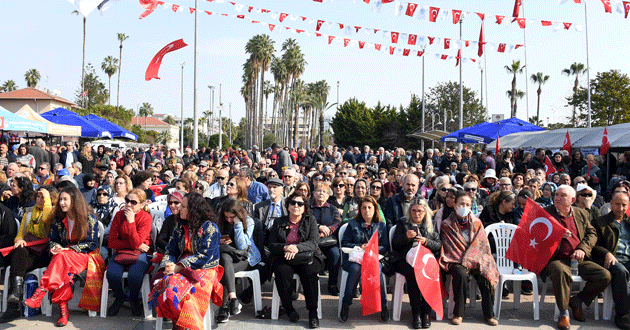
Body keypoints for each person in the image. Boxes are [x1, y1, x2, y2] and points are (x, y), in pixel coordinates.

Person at [24, 186, 102, 327]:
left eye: (65, 199)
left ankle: (41, 293)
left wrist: (68, 249)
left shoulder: (89, 218)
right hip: (64, 258)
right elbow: (52, 240)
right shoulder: (58, 220)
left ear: (74, 201)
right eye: (60, 199)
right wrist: (55, 247)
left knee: (61, 258)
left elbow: (91, 243)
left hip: (86, 257)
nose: (61, 203)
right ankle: (62, 310)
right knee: (62, 267)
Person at [540, 185, 611, 330]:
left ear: (572, 200)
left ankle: (578, 300)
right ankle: (564, 313)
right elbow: (538, 236)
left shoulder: (581, 213)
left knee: (604, 275)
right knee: (561, 271)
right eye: (557, 194)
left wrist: (582, 249)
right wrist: (556, 234)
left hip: (578, 260)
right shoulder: (546, 213)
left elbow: (592, 234)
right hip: (557, 259)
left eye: (563, 195)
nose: (558, 198)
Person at [149, 192, 222, 330]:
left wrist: (179, 267)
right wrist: (167, 265)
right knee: (163, 283)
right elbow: (171, 249)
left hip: (204, 269)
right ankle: (178, 323)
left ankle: (183, 325)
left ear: (193, 210)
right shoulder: (180, 226)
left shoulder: (210, 227)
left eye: (183, 206)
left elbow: (205, 256)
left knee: (182, 290)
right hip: (179, 266)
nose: (178, 208)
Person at [439, 192, 499, 326]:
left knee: (486, 274)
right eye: (461, 204)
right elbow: (448, 247)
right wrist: (464, 259)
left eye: (467, 204)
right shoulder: (447, 224)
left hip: (476, 259)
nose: (464, 207)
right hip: (456, 259)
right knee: (460, 274)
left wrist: (472, 258)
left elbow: (482, 244)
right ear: (455, 205)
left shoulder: (477, 223)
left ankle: (489, 314)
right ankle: (458, 313)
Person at [268, 191, 323, 328]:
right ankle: (289, 309)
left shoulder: (310, 220)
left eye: (300, 203)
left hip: (305, 256)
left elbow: (314, 242)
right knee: (281, 272)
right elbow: (271, 244)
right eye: (293, 203)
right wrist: (286, 248)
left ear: (305, 207)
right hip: (285, 257)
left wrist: (296, 248)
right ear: (287, 206)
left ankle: (312, 313)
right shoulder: (279, 221)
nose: (296, 206)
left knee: (310, 274)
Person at [0, 186, 53, 323]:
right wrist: (19, 240)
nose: (41, 199)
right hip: (28, 252)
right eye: (39, 196)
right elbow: (19, 235)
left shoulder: (52, 212)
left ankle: (14, 306)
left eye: (44, 197)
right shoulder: (28, 213)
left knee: (16, 265)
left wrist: (47, 202)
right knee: (19, 251)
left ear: (50, 199)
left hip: (45, 254)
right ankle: (16, 293)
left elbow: (47, 223)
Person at [391, 198, 441, 329]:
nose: (416, 214)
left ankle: (426, 312)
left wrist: (426, 241)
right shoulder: (403, 223)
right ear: (409, 211)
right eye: (413, 211)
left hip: (425, 260)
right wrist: (405, 237)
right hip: (404, 260)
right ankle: (416, 312)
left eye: (420, 211)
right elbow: (395, 245)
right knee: (413, 273)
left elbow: (438, 245)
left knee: (430, 272)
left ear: (425, 212)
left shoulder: (432, 224)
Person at [339, 195, 389, 323]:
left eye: (369, 208)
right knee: (355, 270)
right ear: (360, 210)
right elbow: (345, 243)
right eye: (364, 208)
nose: (367, 210)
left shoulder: (381, 225)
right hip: (355, 259)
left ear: (375, 209)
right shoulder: (352, 224)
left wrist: (372, 248)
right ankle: (346, 305)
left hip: (372, 259)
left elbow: (385, 246)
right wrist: (359, 246)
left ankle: (383, 306)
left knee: (377, 269)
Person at [106, 189, 153, 316]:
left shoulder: (146, 218)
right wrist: (136, 245)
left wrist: (131, 221)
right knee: (112, 274)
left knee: (134, 276)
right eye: (127, 200)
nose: (128, 205)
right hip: (122, 252)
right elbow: (112, 242)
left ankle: (133, 299)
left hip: (142, 254)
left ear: (142, 204)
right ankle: (120, 298)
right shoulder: (119, 215)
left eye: (133, 202)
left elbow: (138, 241)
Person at [215, 199, 261, 323]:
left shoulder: (249, 221)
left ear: (238, 214)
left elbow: (242, 246)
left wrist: (238, 224)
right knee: (224, 259)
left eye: (232, 217)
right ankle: (233, 299)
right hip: (228, 257)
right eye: (226, 217)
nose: (229, 220)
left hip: (245, 257)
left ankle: (224, 308)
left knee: (224, 269)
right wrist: (221, 240)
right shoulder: (222, 222)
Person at [592, 192, 630, 329]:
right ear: (611, 204)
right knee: (620, 271)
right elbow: (593, 245)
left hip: (628, 258)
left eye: (624, 205)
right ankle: (622, 314)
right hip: (611, 260)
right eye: (617, 204)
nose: (620, 208)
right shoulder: (600, 222)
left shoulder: (629, 222)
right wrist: (607, 253)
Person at [311, 183, 342, 296]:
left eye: (324, 192)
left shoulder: (333, 208)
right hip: (312, 241)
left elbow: (338, 222)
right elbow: (305, 221)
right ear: (313, 193)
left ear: (328, 196)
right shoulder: (308, 207)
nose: (321, 193)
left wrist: (329, 229)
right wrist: (319, 227)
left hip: (329, 241)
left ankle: (332, 284)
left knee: (335, 255)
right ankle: (310, 284)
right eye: (318, 191)